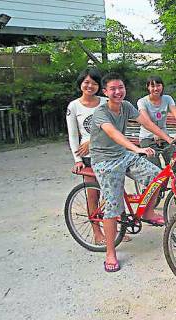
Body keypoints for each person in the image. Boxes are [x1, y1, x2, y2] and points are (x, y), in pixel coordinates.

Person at [90, 72, 176, 273]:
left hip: (123, 154)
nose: (117, 92)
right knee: (113, 207)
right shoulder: (101, 112)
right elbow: (113, 133)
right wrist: (136, 148)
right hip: (105, 161)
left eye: (120, 87)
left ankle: (147, 211)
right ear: (105, 92)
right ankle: (110, 252)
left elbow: (147, 123)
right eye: (112, 89)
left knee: (158, 176)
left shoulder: (127, 106)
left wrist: (168, 138)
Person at [66, 68, 108, 245]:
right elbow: (73, 135)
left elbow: (114, 129)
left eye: (94, 83)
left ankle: (113, 228)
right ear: (81, 84)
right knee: (93, 195)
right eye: (86, 82)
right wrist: (77, 160)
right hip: (88, 157)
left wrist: (92, 140)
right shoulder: (73, 106)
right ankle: (97, 232)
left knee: (113, 193)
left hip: (108, 153)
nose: (90, 86)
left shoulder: (106, 102)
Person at [137, 76, 176, 168]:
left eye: (158, 85)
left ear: (162, 86)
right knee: (154, 168)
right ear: (148, 87)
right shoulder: (142, 102)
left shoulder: (167, 99)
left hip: (165, 137)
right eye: (152, 86)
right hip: (148, 137)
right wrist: (157, 134)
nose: (156, 88)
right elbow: (147, 122)